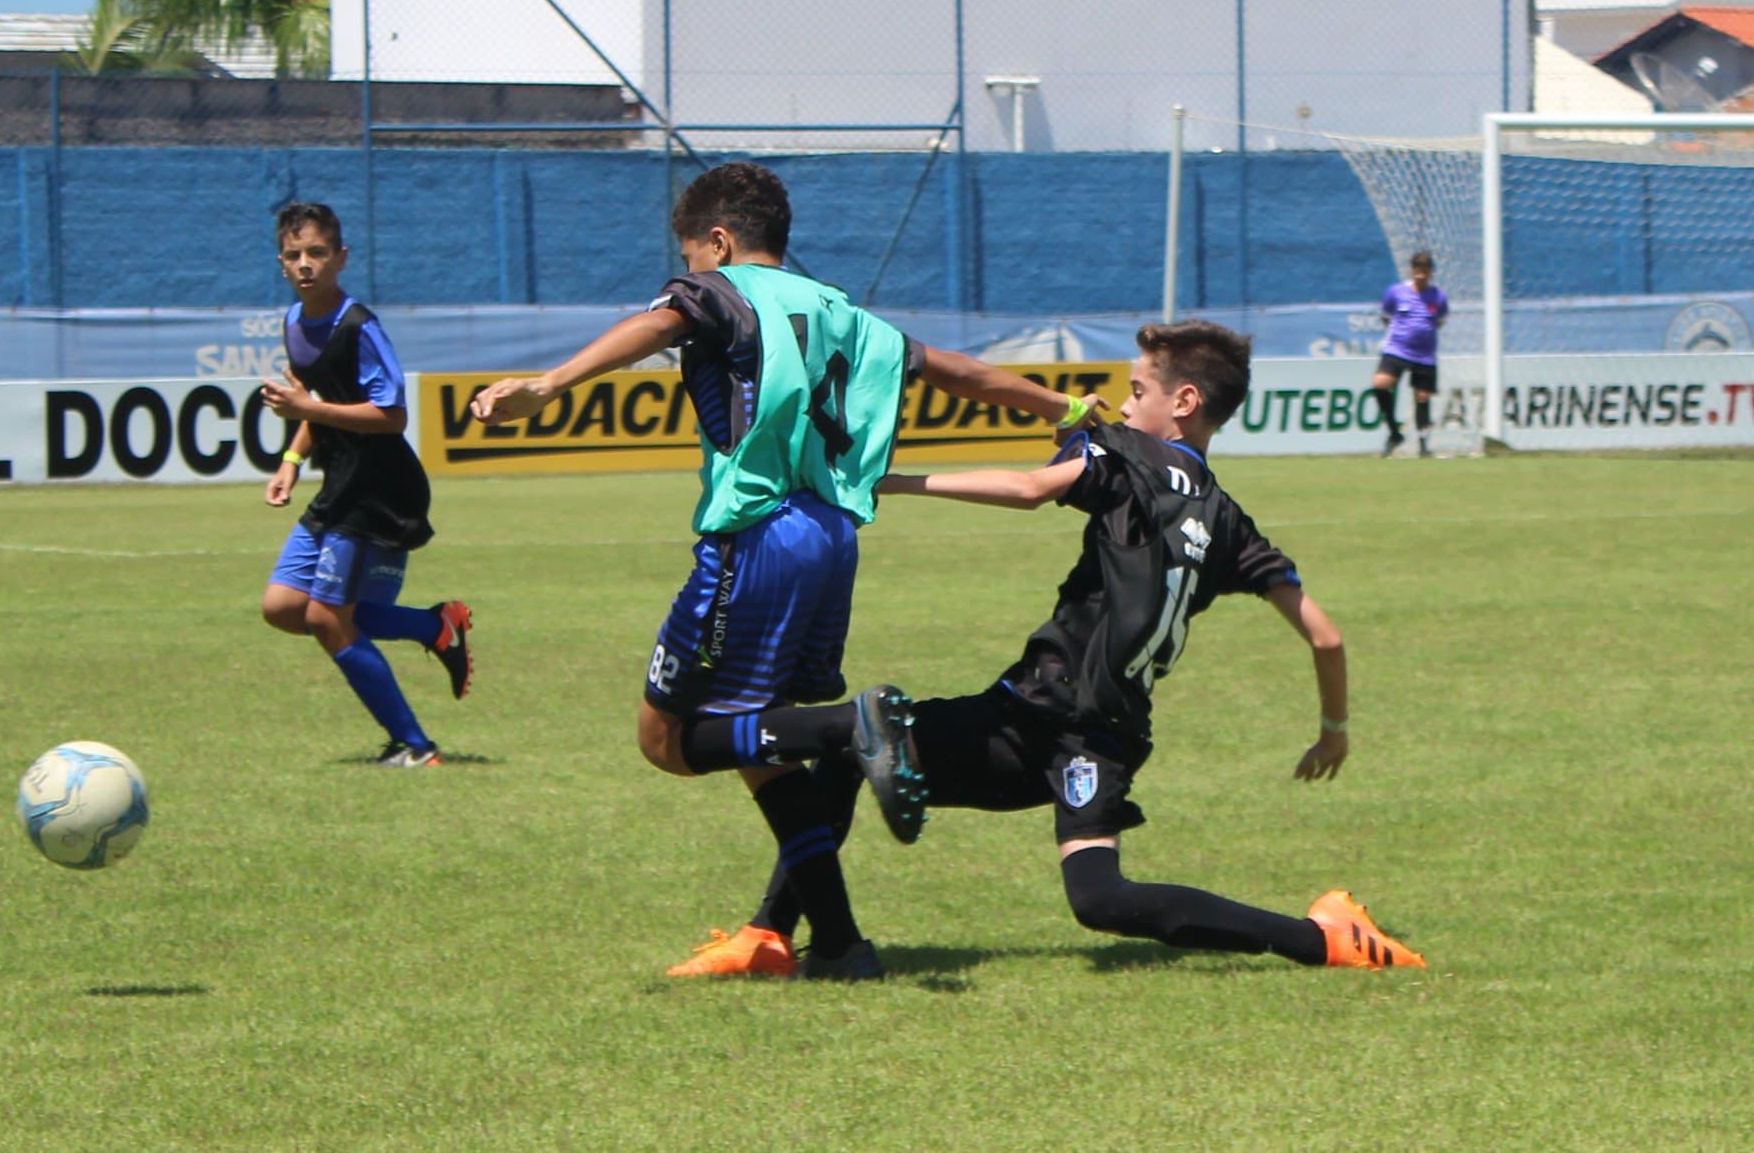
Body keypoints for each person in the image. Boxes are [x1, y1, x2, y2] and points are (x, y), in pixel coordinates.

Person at [470, 162, 1082, 981]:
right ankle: (836, 943)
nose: (688, 278)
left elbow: (659, 325)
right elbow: (955, 371)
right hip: (833, 539)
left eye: (693, 258)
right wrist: (1061, 408)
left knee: (670, 739)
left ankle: (852, 727)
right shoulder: (841, 310)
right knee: (760, 741)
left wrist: (549, 386)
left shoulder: (722, 292)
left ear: (718, 243)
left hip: (761, 535)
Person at [681, 320, 1426, 974]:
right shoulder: (1230, 520)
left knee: (1082, 888)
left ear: (1184, 403)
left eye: (1138, 390)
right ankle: (776, 934)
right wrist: (1334, 732)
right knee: (867, 761)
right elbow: (1324, 636)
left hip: (1059, 723)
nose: (1127, 404)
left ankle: (1319, 935)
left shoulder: (1131, 456)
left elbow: (1033, 488)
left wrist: (895, 481)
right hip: (1075, 727)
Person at [258, 201, 473, 768]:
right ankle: (435, 625)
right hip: (341, 485)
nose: (306, 264)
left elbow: (393, 415)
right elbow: (317, 405)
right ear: (281, 263)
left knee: (328, 618)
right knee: (283, 608)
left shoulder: (359, 326)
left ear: (341, 258)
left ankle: (416, 746)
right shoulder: (292, 323)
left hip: (379, 488)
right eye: (294, 255)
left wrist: (309, 407)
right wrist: (290, 460)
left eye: (318, 253)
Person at [1370, 250, 1448, 457]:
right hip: (1397, 350)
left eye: (1424, 270)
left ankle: (1423, 446)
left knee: (1422, 397)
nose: (1420, 274)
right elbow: (1386, 316)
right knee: (1380, 384)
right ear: (1412, 270)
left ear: (1431, 272)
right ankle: (1395, 433)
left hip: (1424, 354)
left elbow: (1439, 321)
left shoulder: (1438, 296)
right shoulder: (1396, 292)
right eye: (1417, 269)